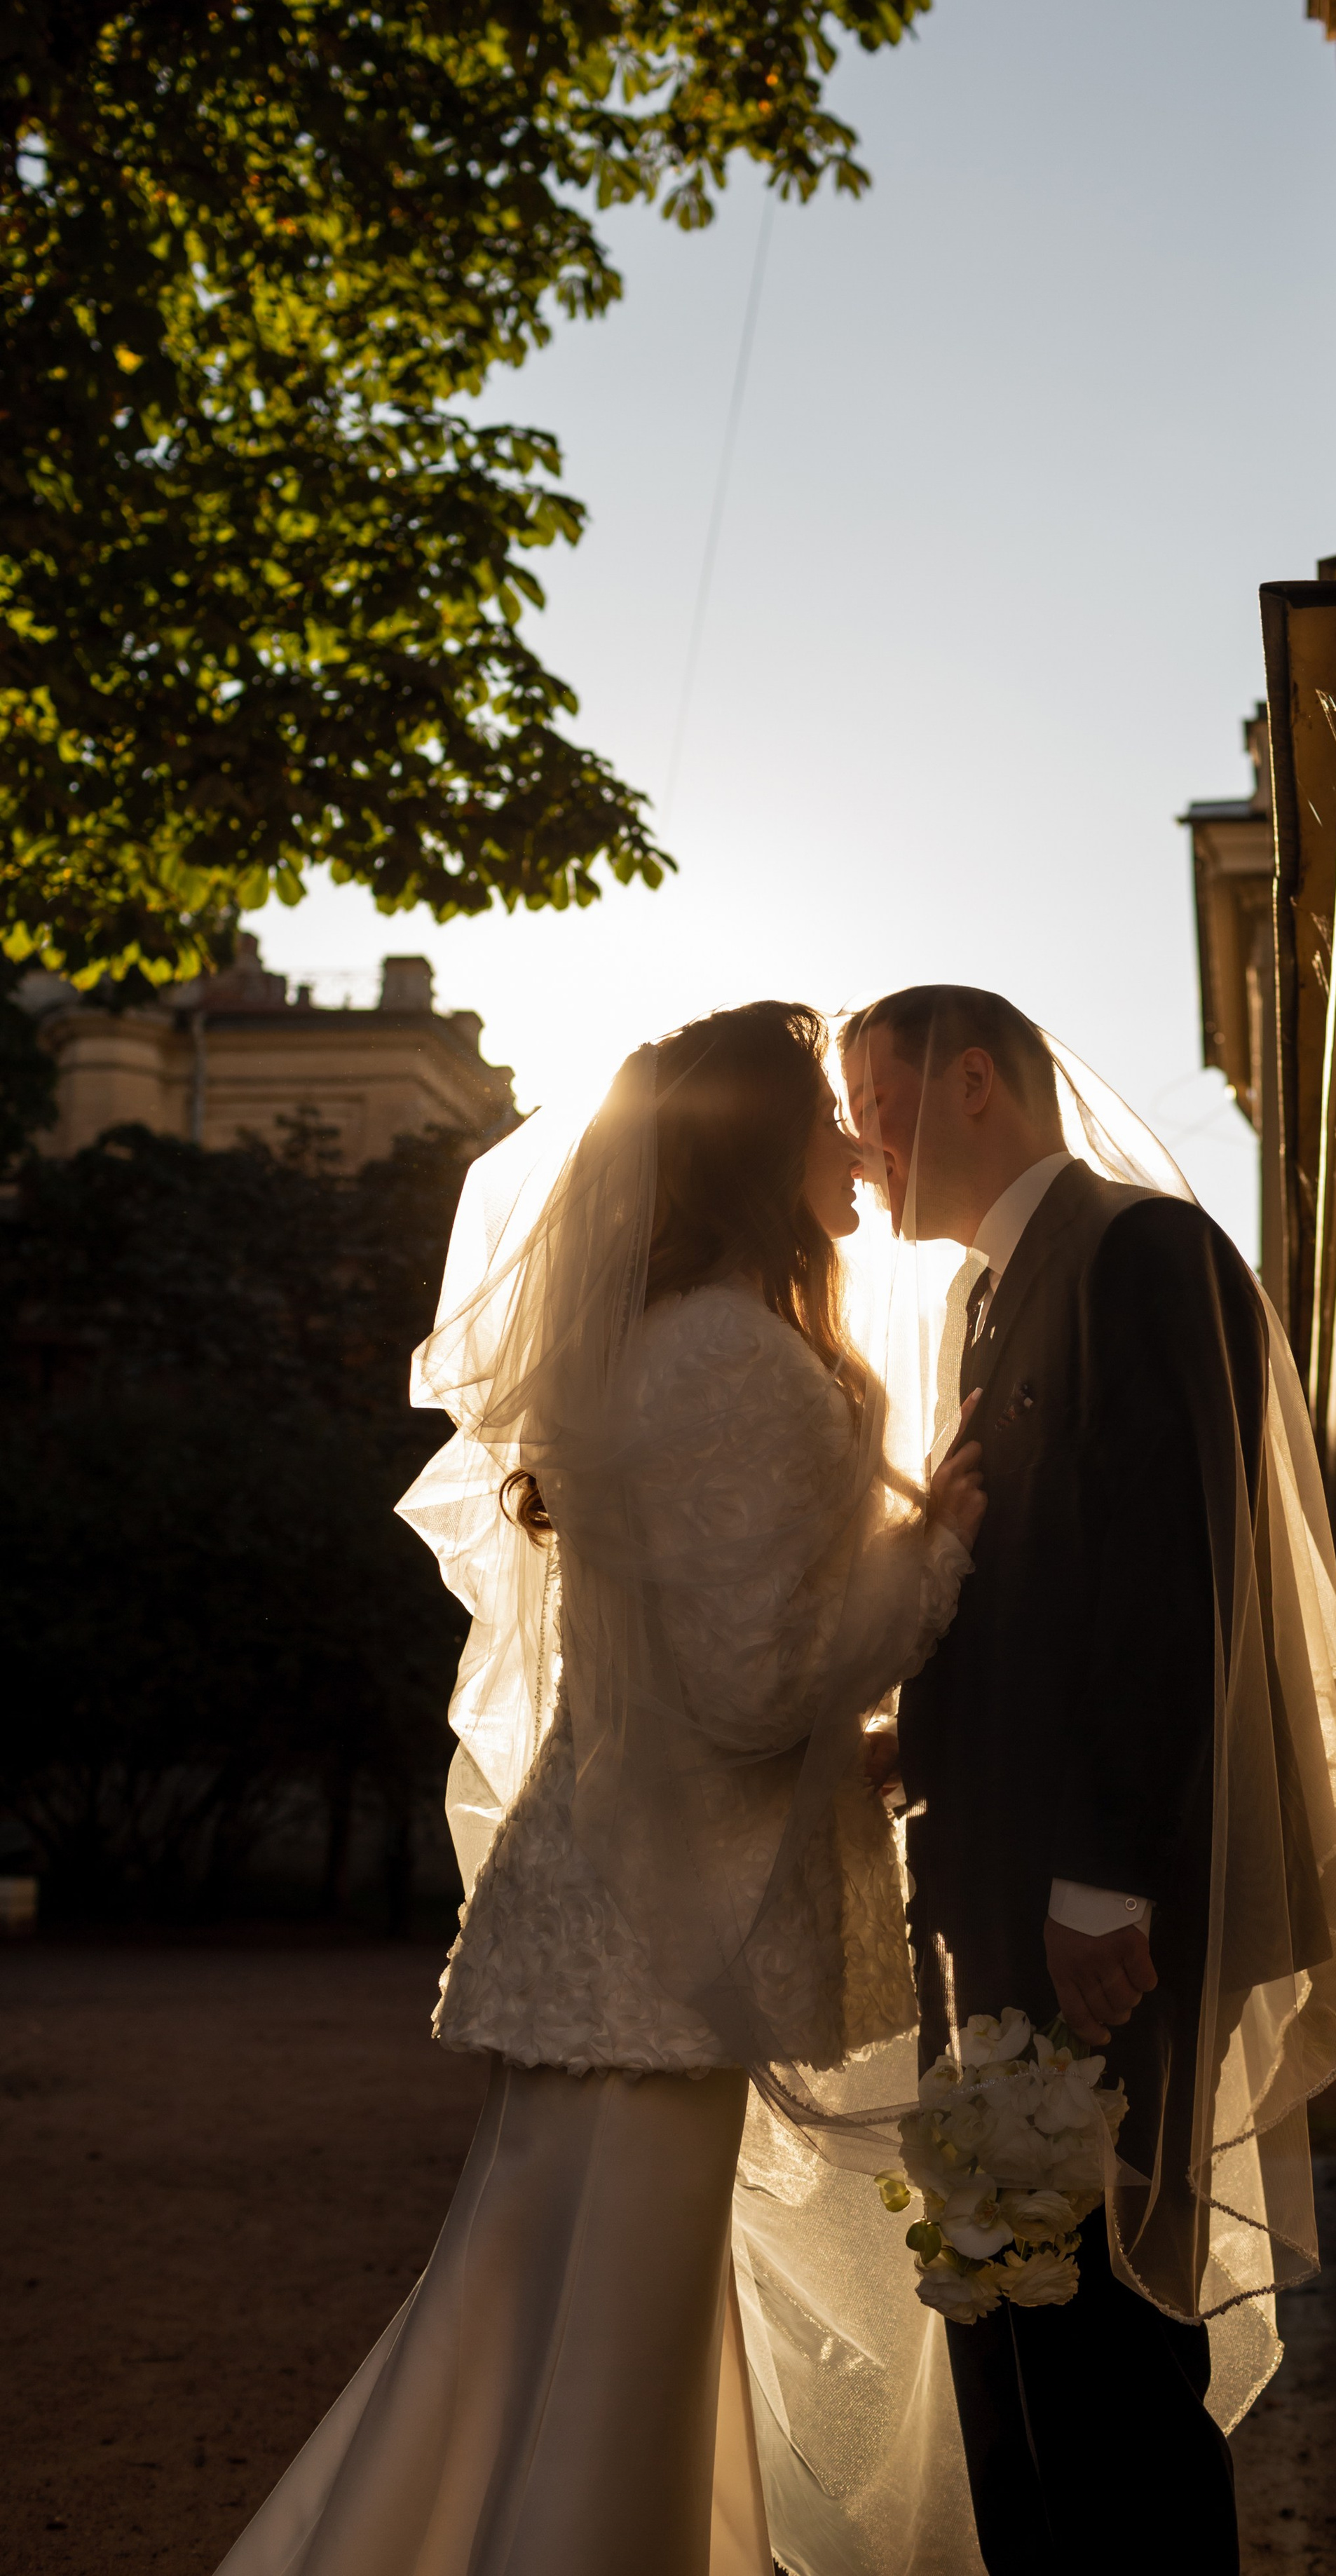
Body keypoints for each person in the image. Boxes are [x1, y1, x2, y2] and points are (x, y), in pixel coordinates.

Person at [213, 1001, 986, 2576]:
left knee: (528, 2298)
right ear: (763, 1146)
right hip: (665, 1945)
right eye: (825, 1119)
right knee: (608, 2321)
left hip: (599, 1913)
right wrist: (939, 1548)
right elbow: (755, 1683)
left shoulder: (645, 1346)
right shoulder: (746, 1365)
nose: (855, 1143)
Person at [842, 986, 1336, 2576]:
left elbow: (1171, 1585)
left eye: (868, 1099)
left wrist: (1103, 1880)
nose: (856, 1143)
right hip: (987, 1899)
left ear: (969, 1082)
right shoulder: (983, 1302)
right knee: (1009, 2330)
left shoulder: (1143, 1256)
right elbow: (1022, 1604)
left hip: (1095, 1919)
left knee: (1104, 2344)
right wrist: (910, 1745)